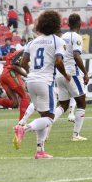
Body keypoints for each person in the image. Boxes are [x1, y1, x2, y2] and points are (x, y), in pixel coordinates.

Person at [13, 10, 70, 159]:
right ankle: (23, 129)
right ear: (56, 24)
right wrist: (65, 74)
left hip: (31, 80)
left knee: (43, 116)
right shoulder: (58, 41)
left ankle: (40, 151)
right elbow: (58, 61)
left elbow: (23, 63)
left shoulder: (33, 41)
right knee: (49, 118)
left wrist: (32, 73)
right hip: (45, 82)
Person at [49, 13, 89, 141]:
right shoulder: (76, 37)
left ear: (68, 24)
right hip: (72, 74)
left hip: (60, 75)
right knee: (82, 103)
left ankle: (47, 125)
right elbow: (76, 56)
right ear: (79, 23)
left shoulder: (62, 36)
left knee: (63, 105)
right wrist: (85, 73)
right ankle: (76, 135)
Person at [0, 46, 30, 122]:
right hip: (11, 74)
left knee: (14, 103)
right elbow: (15, 66)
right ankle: (21, 124)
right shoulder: (23, 52)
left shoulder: (12, 55)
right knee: (25, 96)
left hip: (4, 76)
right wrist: (27, 75)